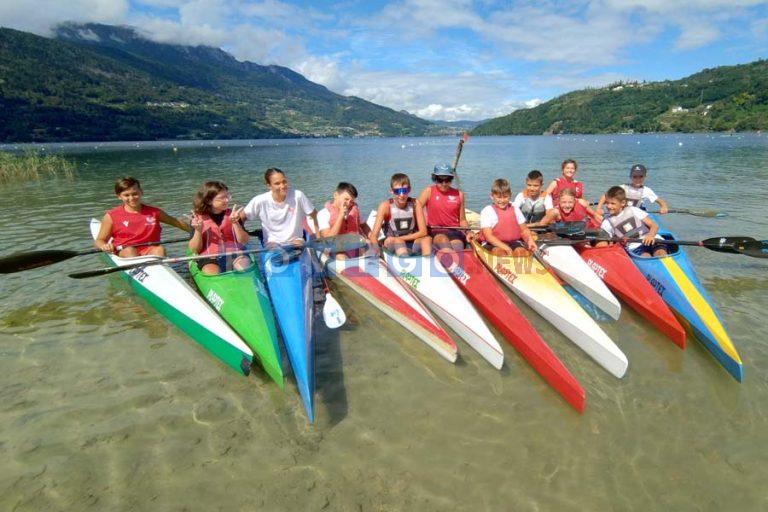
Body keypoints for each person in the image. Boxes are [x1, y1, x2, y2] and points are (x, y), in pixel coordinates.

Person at [94, 176, 190, 257]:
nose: (131, 198)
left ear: (141, 192)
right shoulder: (111, 216)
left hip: (150, 250)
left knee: (159, 249)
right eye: (126, 195)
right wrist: (104, 246)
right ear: (119, 196)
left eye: (135, 194)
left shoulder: (154, 212)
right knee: (130, 251)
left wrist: (197, 232)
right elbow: (99, 240)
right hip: (125, 252)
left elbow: (176, 223)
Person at [240, 167, 318, 246]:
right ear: (269, 186)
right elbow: (240, 218)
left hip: (296, 240)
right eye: (277, 183)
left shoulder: (298, 196)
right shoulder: (260, 201)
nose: (283, 186)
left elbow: (314, 215)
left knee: (297, 247)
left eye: (284, 182)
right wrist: (244, 236)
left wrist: (317, 237)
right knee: (275, 250)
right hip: (272, 242)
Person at [188, 181, 250, 275]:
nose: (227, 200)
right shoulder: (197, 219)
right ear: (209, 200)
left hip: (235, 254)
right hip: (210, 258)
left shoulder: (234, 215)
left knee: (243, 268)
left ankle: (245, 282)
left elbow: (244, 241)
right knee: (211, 271)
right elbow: (194, 249)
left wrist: (236, 223)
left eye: (227, 196)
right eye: (222, 198)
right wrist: (198, 230)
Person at [368, 173, 430, 256]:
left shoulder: (415, 204)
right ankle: (404, 262)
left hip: (412, 241)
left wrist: (399, 238)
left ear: (409, 190)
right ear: (391, 191)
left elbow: (423, 232)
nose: (401, 195)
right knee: (398, 242)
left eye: (405, 191)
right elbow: (373, 236)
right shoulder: (385, 206)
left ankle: (427, 262)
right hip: (391, 243)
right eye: (397, 191)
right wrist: (377, 251)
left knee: (427, 239)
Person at [599, 186, 667, 257]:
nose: (609, 206)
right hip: (634, 246)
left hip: (653, 239)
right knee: (645, 255)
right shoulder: (606, 223)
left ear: (622, 203)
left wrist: (650, 235)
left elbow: (654, 225)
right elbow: (609, 242)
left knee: (660, 252)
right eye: (606, 203)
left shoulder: (634, 210)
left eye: (613, 203)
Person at [416, 163, 471, 252]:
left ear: (451, 179)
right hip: (435, 231)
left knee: (458, 246)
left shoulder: (459, 194)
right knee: (442, 239)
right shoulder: (428, 191)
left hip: (454, 232)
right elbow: (414, 211)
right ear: (435, 179)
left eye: (447, 180)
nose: (444, 184)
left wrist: (469, 232)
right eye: (440, 180)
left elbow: (462, 220)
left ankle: (452, 262)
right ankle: (452, 263)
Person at [478, 179, 538, 256]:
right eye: (499, 197)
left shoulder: (515, 208)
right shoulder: (487, 211)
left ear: (510, 195)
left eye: (505, 197)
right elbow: (489, 236)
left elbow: (524, 230)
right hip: (492, 244)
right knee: (500, 253)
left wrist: (530, 241)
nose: (502, 200)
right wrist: (505, 248)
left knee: (521, 252)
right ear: (492, 196)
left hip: (513, 242)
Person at [596, 164, 669, 213]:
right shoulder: (623, 187)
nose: (638, 179)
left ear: (645, 177)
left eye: (640, 176)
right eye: (635, 176)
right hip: (622, 214)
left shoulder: (647, 190)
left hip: (637, 215)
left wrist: (663, 207)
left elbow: (660, 201)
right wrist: (599, 208)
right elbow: (605, 196)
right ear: (630, 177)